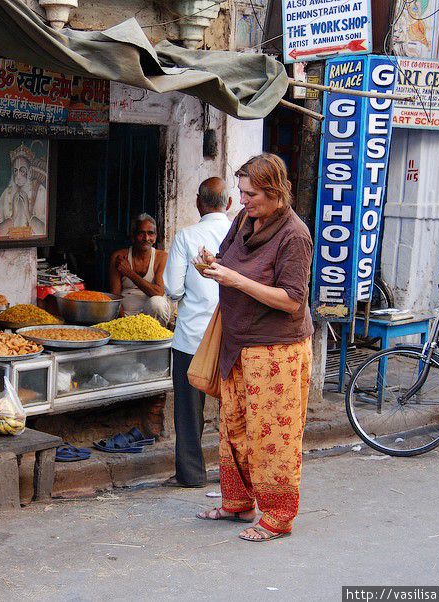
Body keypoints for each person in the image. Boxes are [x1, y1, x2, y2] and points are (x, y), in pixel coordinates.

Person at [195, 154, 314, 542]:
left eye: (251, 194)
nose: (243, 201)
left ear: (275, 192)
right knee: (235, 427)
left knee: (272, 435)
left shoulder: (295, 235)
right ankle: (239, 502)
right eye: (242, 193)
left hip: (276, 351)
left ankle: (278, 516)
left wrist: (235, 280)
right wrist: (211, 266)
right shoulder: (244, 220)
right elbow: (230, 263)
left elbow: (292, 300)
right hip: (238, 342)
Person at [162, 177, 232, 488]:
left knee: (189, 410)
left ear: (197, 203)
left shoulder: (186, 236)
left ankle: (191, 474)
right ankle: (235, 475)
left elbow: (173, 288)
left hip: (193, 336)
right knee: (235, 407)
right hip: (232, 336)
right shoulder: (240, 235)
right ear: (229, 204)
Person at [109, 214, 172, 324]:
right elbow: (115, 297)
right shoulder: (119, 257)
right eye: (141, 233)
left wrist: (129, 272)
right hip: (125, 315)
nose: (146, 238)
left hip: (152, 315)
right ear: (133, 236)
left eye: (150, 233)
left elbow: (158, 291)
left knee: (157, 303)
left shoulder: (161, 257)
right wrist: (123, 323)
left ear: (155, 237)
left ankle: (155, 339)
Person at [0, 142, 47, 238]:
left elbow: (44, 232)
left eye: (22, 170)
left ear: (29, 172)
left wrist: (28, 213)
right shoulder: (6, 194)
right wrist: (13, 216)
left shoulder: (40, 191)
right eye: (15, 170)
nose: (18, 176)